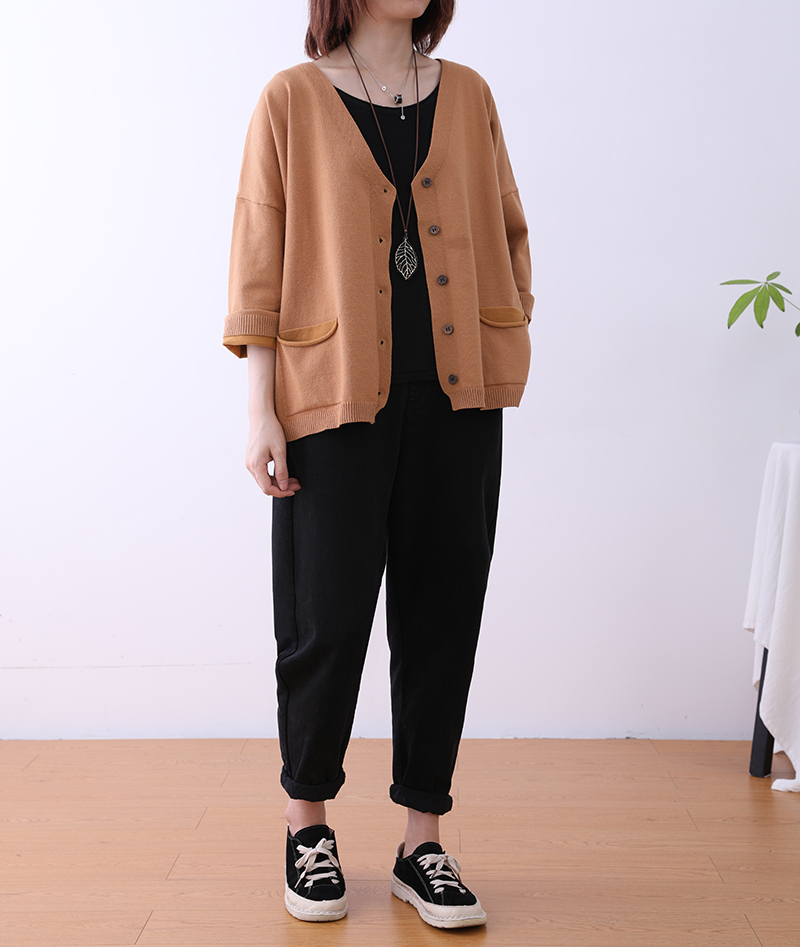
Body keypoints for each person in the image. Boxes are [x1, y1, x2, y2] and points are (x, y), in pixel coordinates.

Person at [223, 0, 533, 930]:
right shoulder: (290, 99)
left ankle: (420, 841)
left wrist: (506, 315)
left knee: (444, 614)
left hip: (457, 397)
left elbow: (509, 227)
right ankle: (307, 825)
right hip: (332, 396)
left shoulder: (470, 96)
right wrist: (262, 410)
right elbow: (259, 261)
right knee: (323, 617)